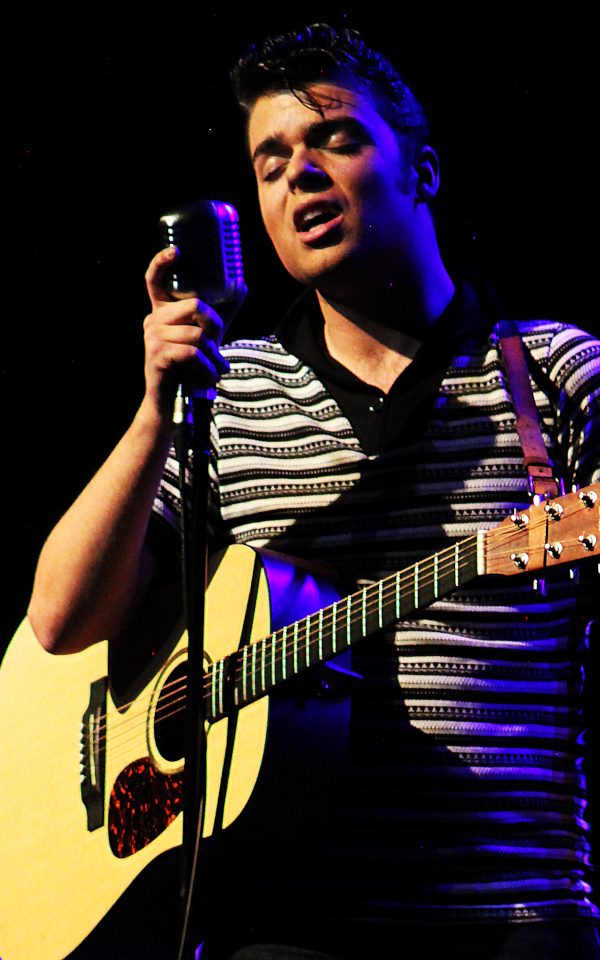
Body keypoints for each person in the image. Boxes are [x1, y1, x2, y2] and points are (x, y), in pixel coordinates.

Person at [28, 22, 600, 960]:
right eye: (270, 161)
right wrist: (152, 411)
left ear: (422, 171)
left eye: (335, 139)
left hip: (508, 917)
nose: (298, 174)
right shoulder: (225, 391)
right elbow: (59, 618)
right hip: (277, 929)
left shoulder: (553, 375)